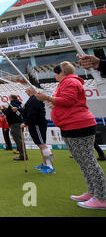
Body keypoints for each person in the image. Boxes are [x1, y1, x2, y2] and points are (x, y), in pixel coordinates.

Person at [35, 62, 106, 209]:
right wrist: (50, 100)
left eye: (56, 71)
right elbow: (64, 102)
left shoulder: (70, 82)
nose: (54, 74)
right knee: (83, 162)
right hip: (70, 125)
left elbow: (69, 100)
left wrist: (48, 98)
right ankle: (93, 192)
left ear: (62, 72)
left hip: (78, 125)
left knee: (88, 161)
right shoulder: (66, 83)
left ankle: (102, 197)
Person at [22, 87, 54, 173]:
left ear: (30, 90)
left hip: (37, 124)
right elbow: (28, 111)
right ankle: (46, 164)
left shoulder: (35, 98)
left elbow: (33, 113)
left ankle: (50, 166)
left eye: (27, 90)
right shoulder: (33, 98)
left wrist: (26, 122)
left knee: (43, 145)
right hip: (35, 124)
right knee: (41, 145)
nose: (26, 92)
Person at [1, 95, 27, 161]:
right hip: (19, 122)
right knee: (20, 139)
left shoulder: (12, 104)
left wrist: (3, 109)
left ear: (11, 98)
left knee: (18, 139)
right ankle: (23, 154)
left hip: (15, 124)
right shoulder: (19, 104)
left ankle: (22, 155)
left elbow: (8, 113)